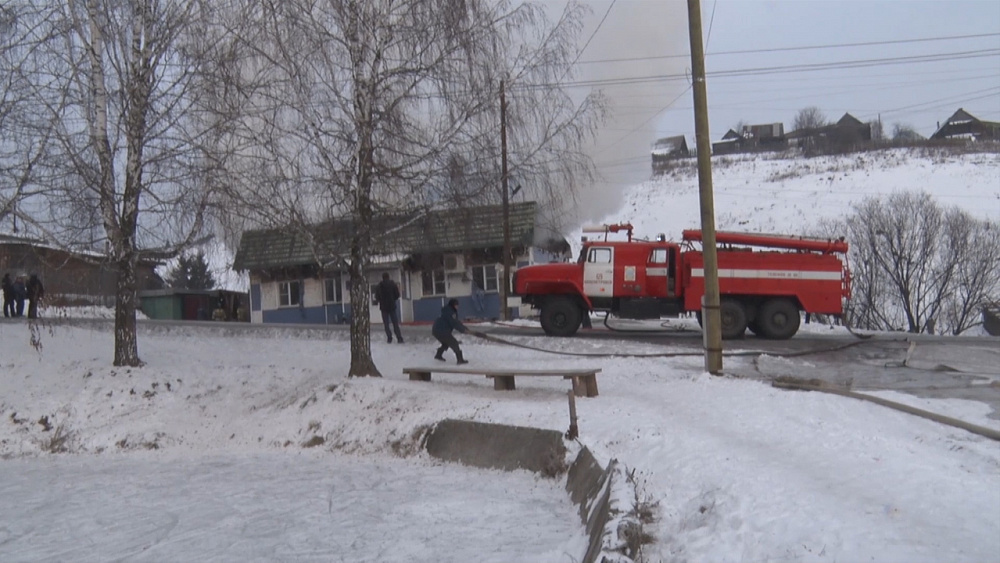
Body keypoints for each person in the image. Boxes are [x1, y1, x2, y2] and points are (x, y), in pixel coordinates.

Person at [432, 298, 483, 364]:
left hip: (436, 330)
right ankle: (460, 359)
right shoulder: (450, 313)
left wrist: (465, 329)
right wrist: (463, 330)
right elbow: (454, 323)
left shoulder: (448, 311)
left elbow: (456, 322)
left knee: (446, 343)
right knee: (454, 343)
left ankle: (438, 355)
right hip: (442, 331)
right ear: (452, 305)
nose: (457, 307)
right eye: (456, 305)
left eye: (457, 305)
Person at [375, 273, 404, 343]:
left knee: (386, 324)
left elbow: (377, 297)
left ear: (382, 277)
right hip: (392, 306)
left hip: (383, 308)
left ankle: (389, 337)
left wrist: (381, 301)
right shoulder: (393, 284)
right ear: (388, 277)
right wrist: (392, 299)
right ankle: (399, 338)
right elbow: (397, 295)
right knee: (395, 323)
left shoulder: (379, 286)